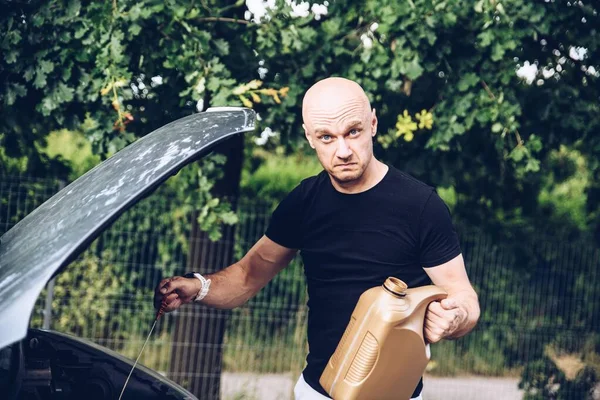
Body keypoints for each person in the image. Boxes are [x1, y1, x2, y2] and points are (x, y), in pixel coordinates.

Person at [154, 77, 480, 400]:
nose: (343, 151)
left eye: (353, 131)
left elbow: (464, 298)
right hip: (317, 392)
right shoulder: (303, 202)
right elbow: (247, 275)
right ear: (310, 138)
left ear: (373, 124)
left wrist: (454, 318)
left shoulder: (421, 206)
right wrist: (198, 286)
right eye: (327, 137)